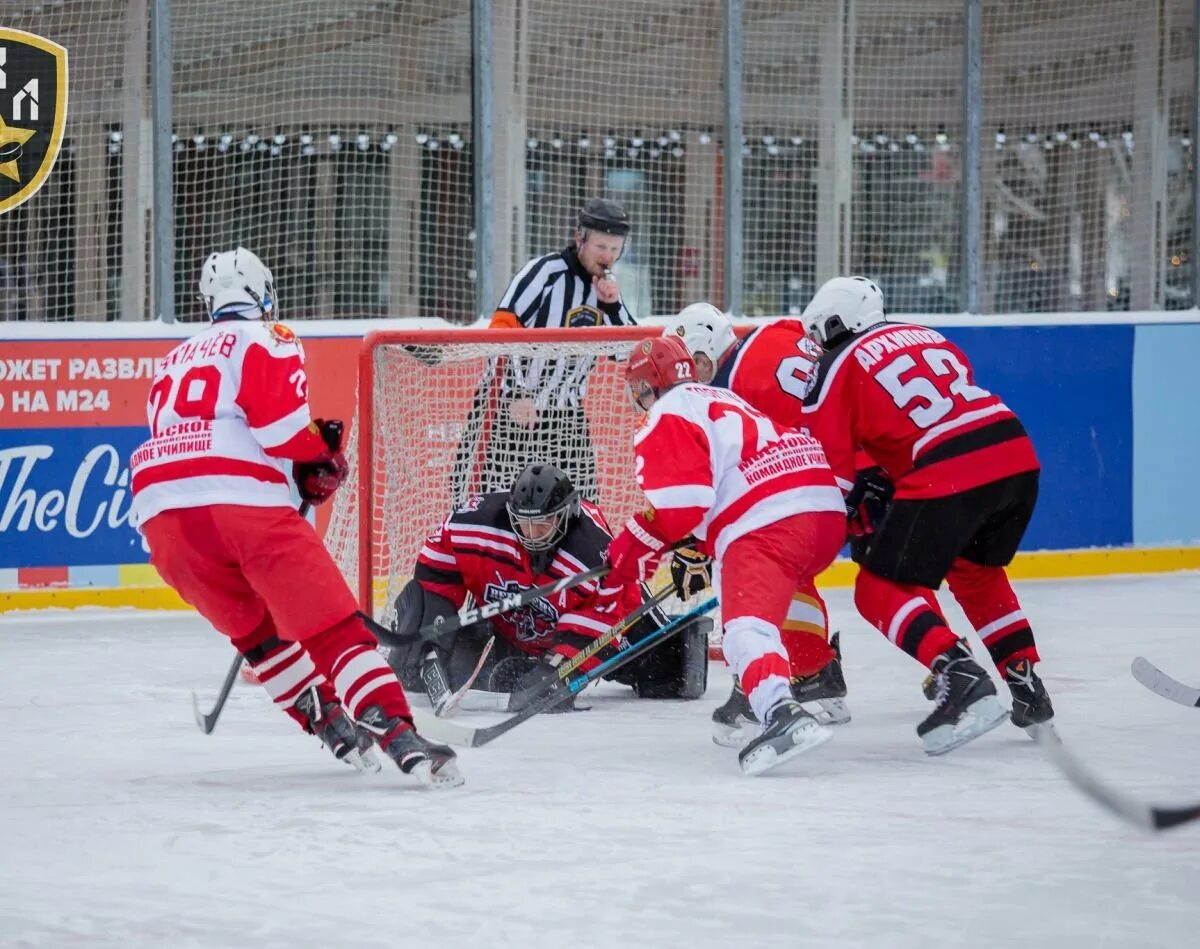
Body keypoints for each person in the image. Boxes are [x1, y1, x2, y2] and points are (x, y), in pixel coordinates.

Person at [129, 246, 462, 788]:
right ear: (263, 295)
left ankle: (332, 724)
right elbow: (280, 432)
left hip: (162, 519)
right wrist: (320, 456)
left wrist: (298, 472)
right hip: (240, 510)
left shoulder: (172, 360)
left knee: (260, 637)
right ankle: (398, 731)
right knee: (332, 629)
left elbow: (207, 440)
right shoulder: (269, 337)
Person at [798, 275, 1054, 755]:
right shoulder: (930, 336)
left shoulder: (836, 362)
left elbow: (831, 470)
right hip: (1015, 452)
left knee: (876, 588)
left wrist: (822, 518)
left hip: (947, 467)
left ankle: (957, 673)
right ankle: (1025, 682)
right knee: (976, 574)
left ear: (833, 322)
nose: (815, 346)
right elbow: (932, 408)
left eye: (817, 334)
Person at [605, 335, 847, 776]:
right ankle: (810, 677)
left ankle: (782, 712)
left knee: (744, 630)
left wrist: (633, 546)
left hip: (768, 521)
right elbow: (718, 485)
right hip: (823, 511)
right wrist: (699, 548)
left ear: (647, 385)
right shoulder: (721, 395)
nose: (637, 400)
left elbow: (684, 506)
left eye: (637, 389)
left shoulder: (666, 413)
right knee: (784, 601)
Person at [662, 303, 850, 742]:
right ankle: (815, 671)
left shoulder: (732, 387)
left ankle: (768, 683)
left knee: (750, 565)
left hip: (815, 484)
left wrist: (692, 537)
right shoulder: (775, 335)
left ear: (704, 355)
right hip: (853, 469)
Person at [388, 462, 709, 709]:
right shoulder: (475, 524)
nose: (531, 534)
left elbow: (608, 614)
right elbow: (436, 570)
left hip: (605, 625)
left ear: (565, 516)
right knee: (411, 662)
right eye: (523, 524)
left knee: (673, 673)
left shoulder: (592, 551)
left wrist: (560, 669)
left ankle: (680, 638)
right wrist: (433, 634)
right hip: (518, 624)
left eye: (541, 525)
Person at [454, 198, 635, 504]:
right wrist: (515, 395)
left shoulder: (604, 290)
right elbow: (501, 331)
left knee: (582, 507)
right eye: (601, 247)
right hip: (510, 408)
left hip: (566, 414)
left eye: (615, 249)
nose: (608, 257)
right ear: (580, 238)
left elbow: (626, 351)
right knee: (491, 505)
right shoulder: (544, 273)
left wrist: (613, 306)